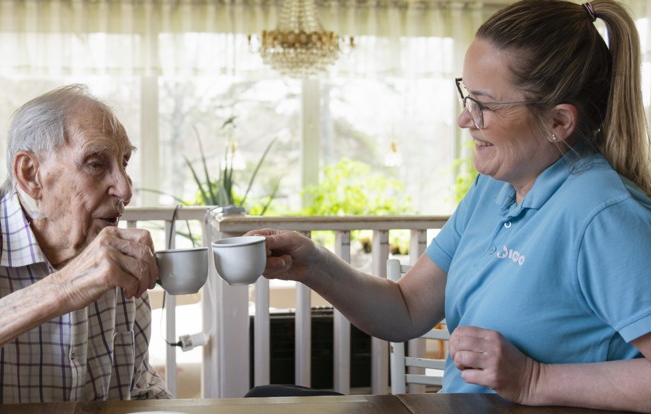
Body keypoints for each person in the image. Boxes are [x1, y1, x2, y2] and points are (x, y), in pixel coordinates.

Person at [248, 0, 651, 411]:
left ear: (558, 122)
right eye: (466, 95)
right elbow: (405, 309)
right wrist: (312, 263)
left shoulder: (605, 217)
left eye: (485, 104)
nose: (464, 118)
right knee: (262, 397)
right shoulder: (492, 190)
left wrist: (535, 380)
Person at [0, 84, 171, 409]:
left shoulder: (116, 260)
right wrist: (65, 287)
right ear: (30, 174)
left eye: (124, 162)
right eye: (96, 164)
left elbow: (140, 388)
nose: (124, 189)